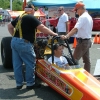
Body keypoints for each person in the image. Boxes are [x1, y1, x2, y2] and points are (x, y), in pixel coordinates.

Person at [7, 4, 58, 90]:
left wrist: (16, 38)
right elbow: (42, 27)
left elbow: (9, 26)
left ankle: (19, 83)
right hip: (24, 43)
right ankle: (30, 83)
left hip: (15, 41)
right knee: (30, 63)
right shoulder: (31, 18)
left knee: (17, 64)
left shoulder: (20, 17)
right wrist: (53, 34)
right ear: (32, 10)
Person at [61, 2, 93, 73]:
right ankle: (87, 76)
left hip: (82, 42)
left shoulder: (83, 17)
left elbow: (76, 29)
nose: (76, 12)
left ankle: (73, 78)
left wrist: (67, 36)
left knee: (73, 60)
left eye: (76, 10)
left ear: (81, 9)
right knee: (87, 61)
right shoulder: (88, 16)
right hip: (87, 41)